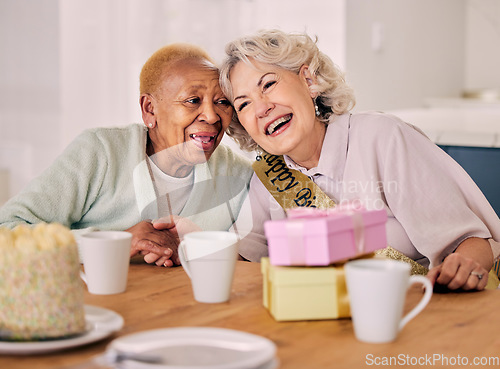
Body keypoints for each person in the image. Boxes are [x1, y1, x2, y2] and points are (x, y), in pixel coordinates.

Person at [219, 29, 500, 291]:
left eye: (268, 84)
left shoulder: (383, 137)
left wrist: (463, 268)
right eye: (244, 104)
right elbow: (246, 261)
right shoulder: (269, 177)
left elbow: (472, 244)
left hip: (416, 313)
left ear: (308, 80)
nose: (261, 108)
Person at [0, 43, 253, 267]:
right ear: (149, 110)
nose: (211, 116)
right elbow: (7, 231)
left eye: (222, 102)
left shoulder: (239, 175)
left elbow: (259, 251)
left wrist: (197, 247)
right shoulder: (100, 151)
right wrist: (116, 243)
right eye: (192, 100)